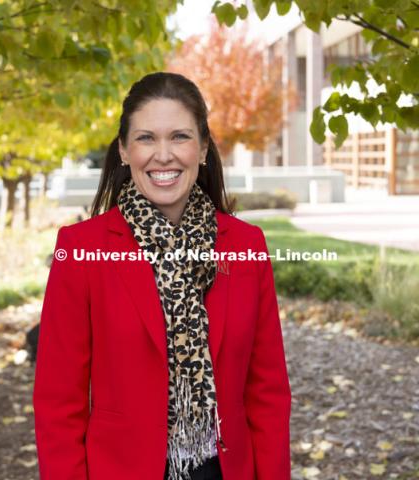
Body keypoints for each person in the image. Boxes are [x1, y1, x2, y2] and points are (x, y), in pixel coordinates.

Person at [32, 71, 291, 480]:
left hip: (224, 470)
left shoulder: (246, 244)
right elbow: (58, 403)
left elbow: (268, 395)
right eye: (146, 138)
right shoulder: (80, 249)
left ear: (204, 148)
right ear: (123, 150)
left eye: (180, 137)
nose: (164, 155)